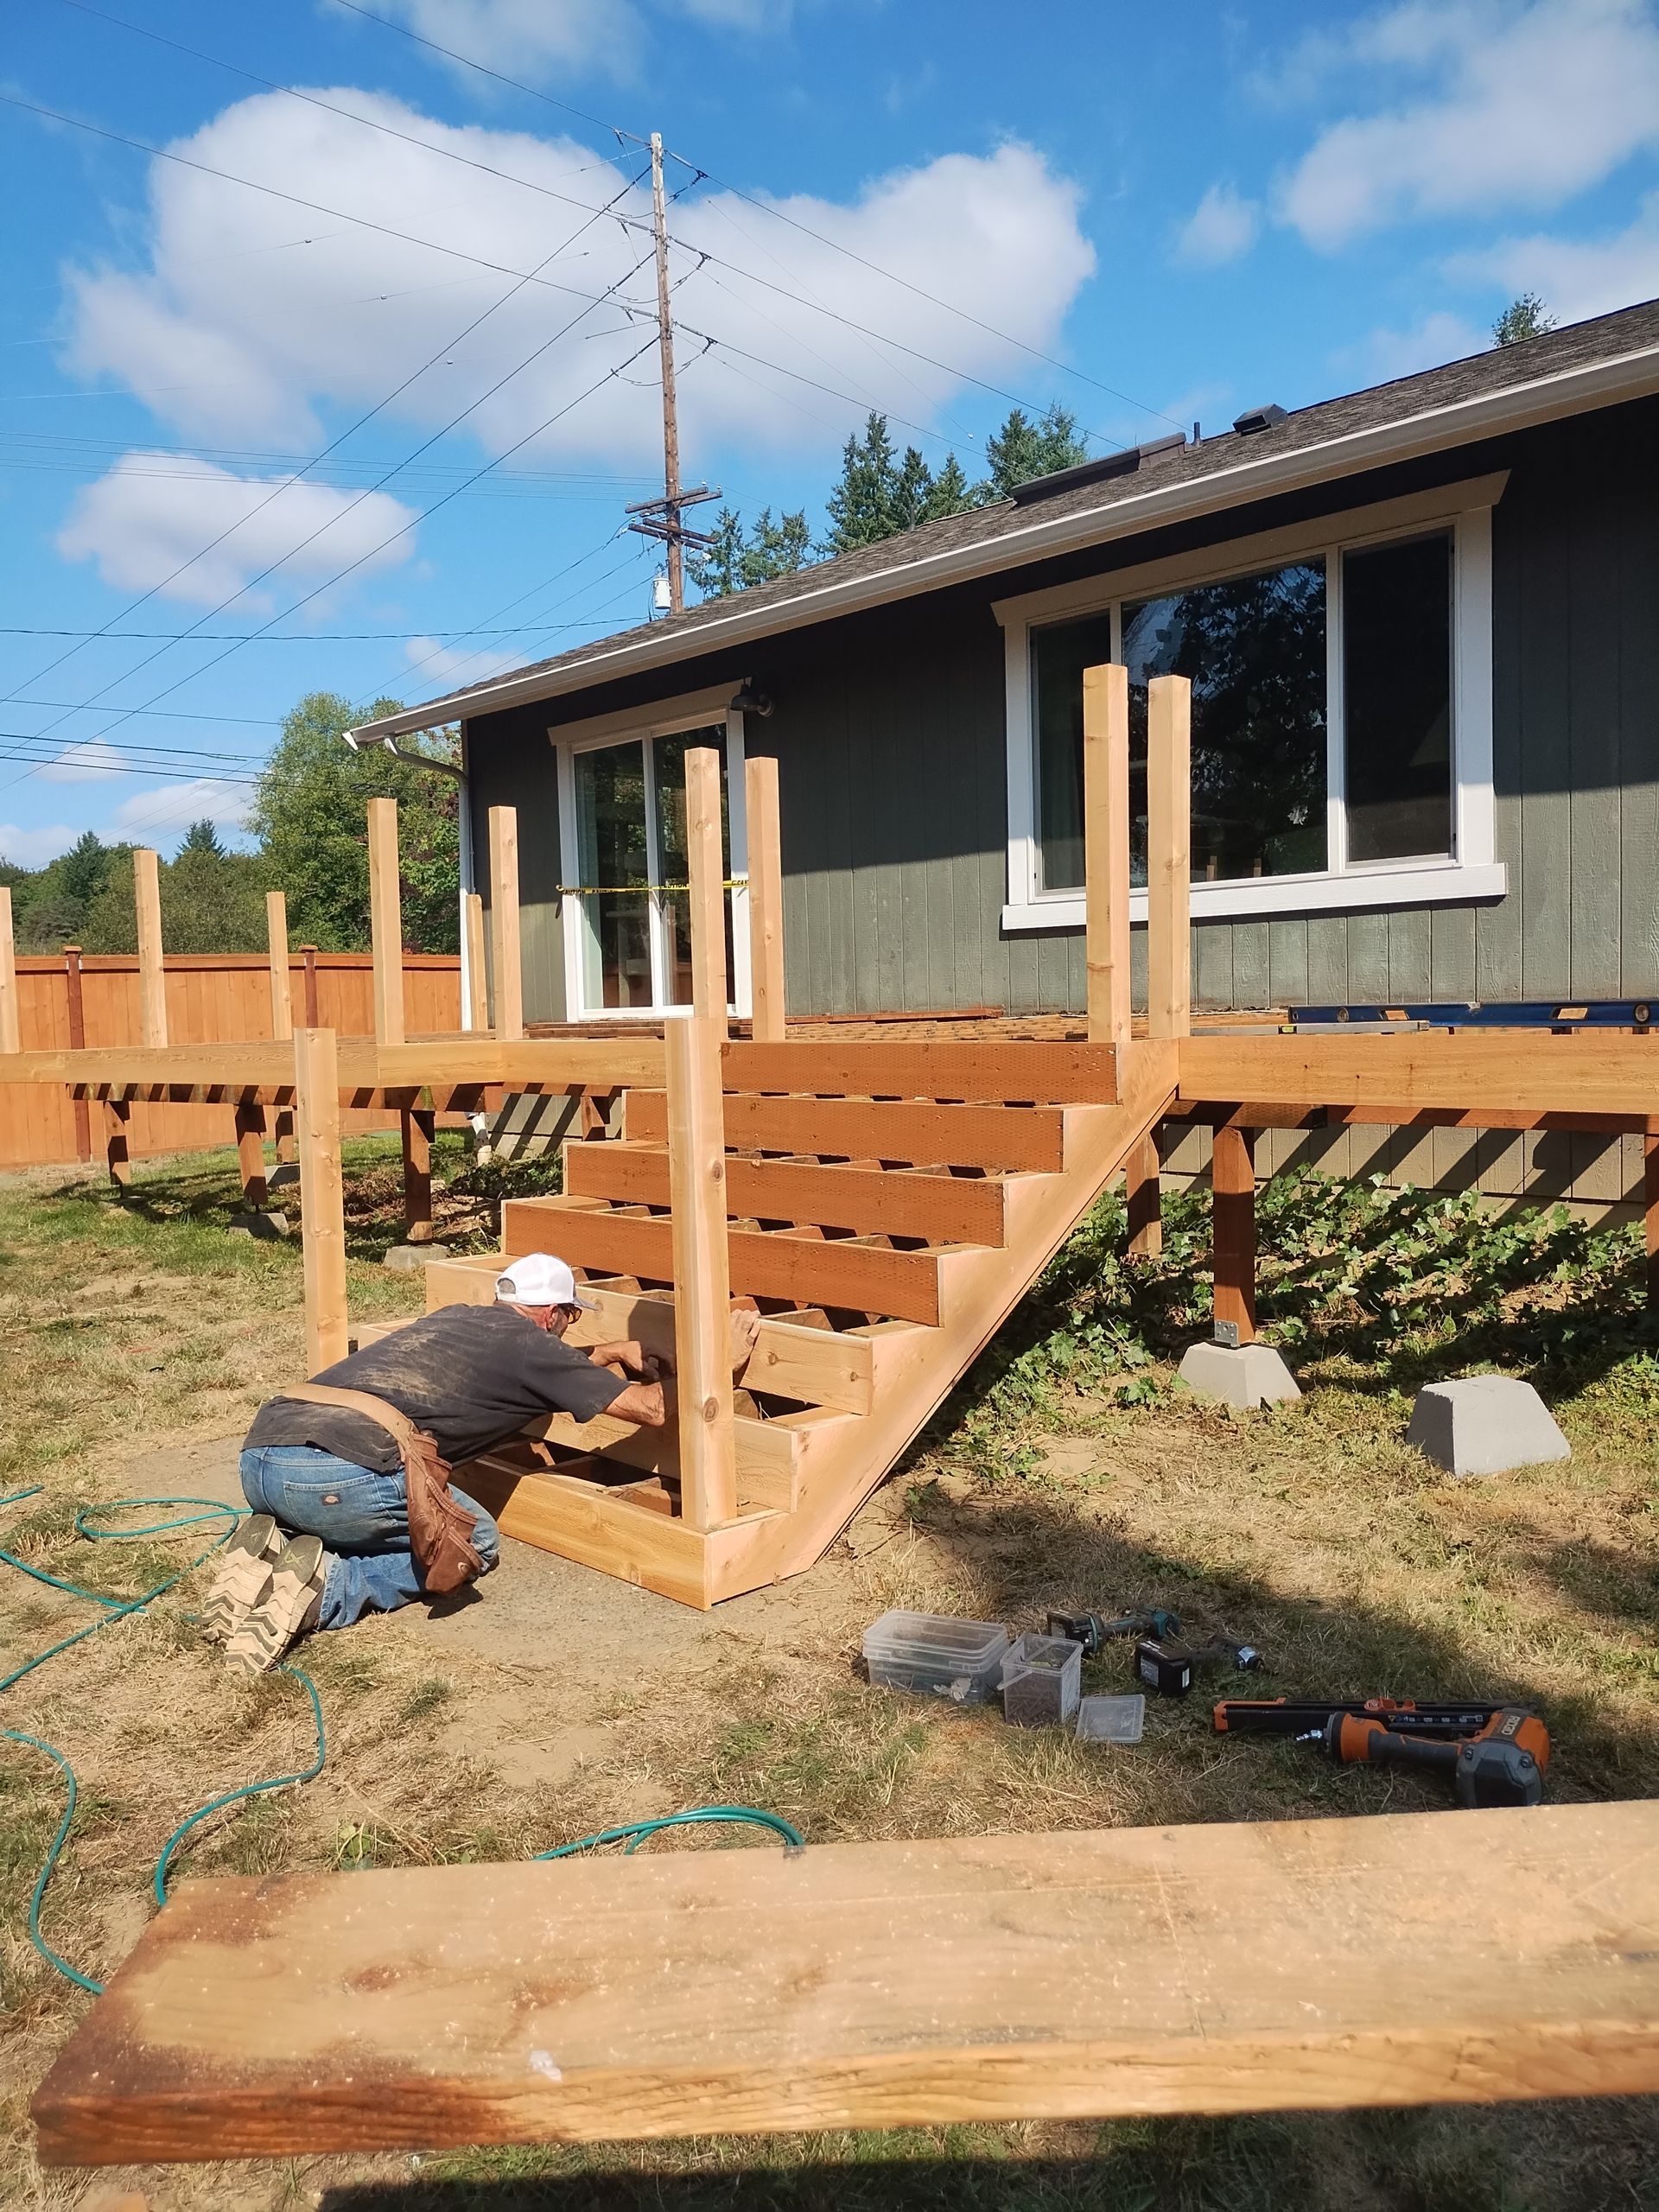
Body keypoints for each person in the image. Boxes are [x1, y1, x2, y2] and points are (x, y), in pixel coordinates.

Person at [204, 1253, 759, 1675]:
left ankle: (276, 1551)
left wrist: (610, 1352)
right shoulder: (533, 1345)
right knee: (475, 1543)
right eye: (568, 1318)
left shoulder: (457, 1319)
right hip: (342, 1476)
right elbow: (652, 1409)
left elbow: (533, 1371)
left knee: (362, 1507)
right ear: (551, 1314)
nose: (568, 1330)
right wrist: (721, 1368)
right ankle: (326, 1591)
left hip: (263, 1456)